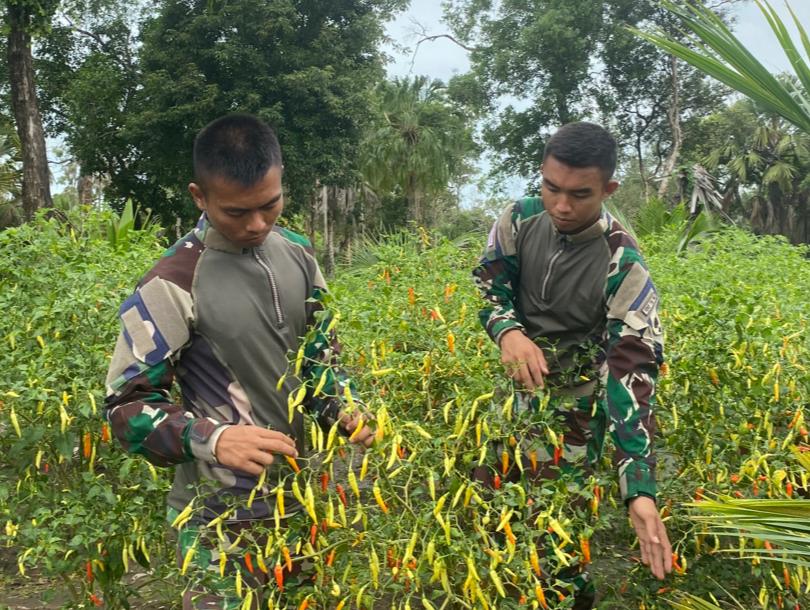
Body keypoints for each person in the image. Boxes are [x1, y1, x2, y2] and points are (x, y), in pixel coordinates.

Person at [104, 113, 372, 609]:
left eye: (270, 205)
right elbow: (126, 409)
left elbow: (320, 358)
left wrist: (342, 408)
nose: (256, 224)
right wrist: (214, 438)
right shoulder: (171, 281)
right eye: (235, 212)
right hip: (218, 520)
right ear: (199, 197)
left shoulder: (299, 255)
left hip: (302, 506)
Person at [472, 121, 672, 608]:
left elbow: (630, 376)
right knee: (490, 510)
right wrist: (509, 331)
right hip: (512, 398)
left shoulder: (623, 263)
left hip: (576, 411)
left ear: (608, 190)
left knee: (558, 534)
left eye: (580, 194)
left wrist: (639, 489)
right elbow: (489, 285)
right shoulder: (519, 218)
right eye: (551, 187)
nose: (561, 206)